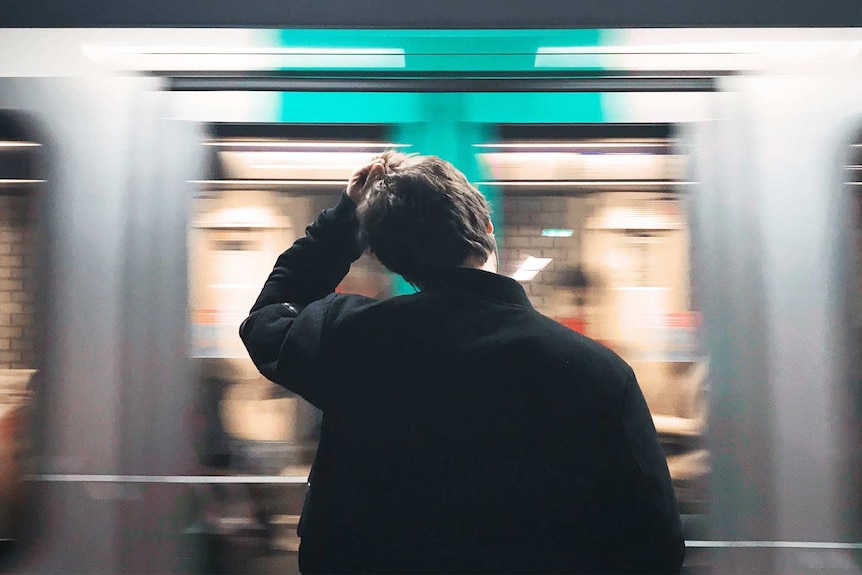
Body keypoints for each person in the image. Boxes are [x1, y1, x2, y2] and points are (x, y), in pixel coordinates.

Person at [239, 152, 685, 574]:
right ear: (489, 227)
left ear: (389, 257)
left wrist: (342, 226)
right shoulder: (599, 372)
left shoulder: (350, 339)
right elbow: (656, 539)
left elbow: (267, 317)